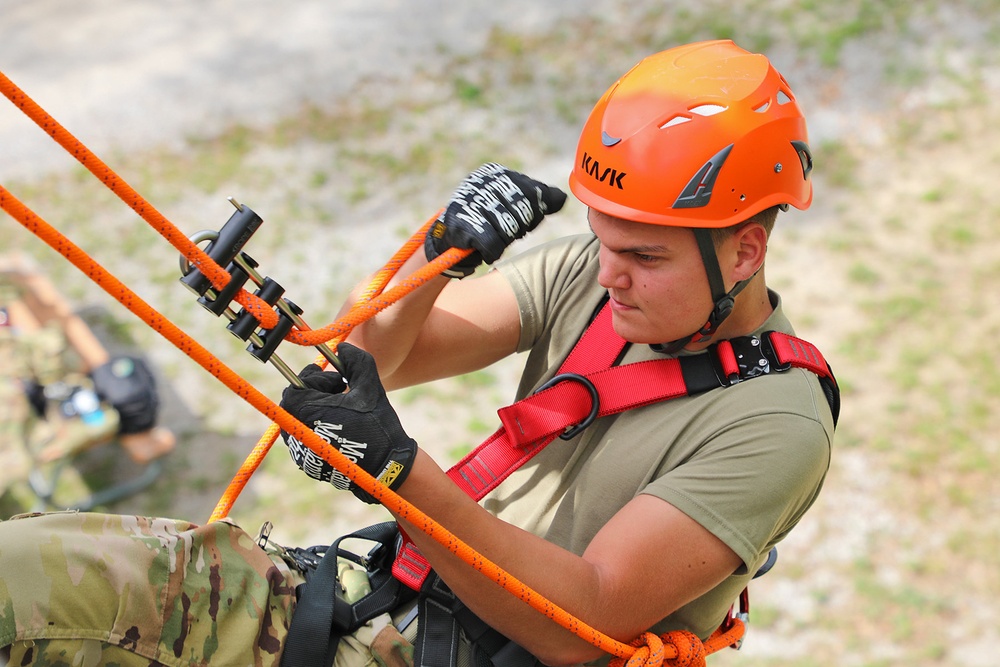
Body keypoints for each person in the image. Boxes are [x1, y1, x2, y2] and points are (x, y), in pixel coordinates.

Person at [0, 39, 836, 667]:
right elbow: (381, 355)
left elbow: (587, 617)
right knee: (30, 559)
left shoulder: (776, 421)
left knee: (39, 591)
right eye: (602, 239)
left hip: (463, 641)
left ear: (745, 252)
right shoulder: (600, 277)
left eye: (645, 256)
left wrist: (400, 470)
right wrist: (436, 254)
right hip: (393, 606)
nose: (609, 273)